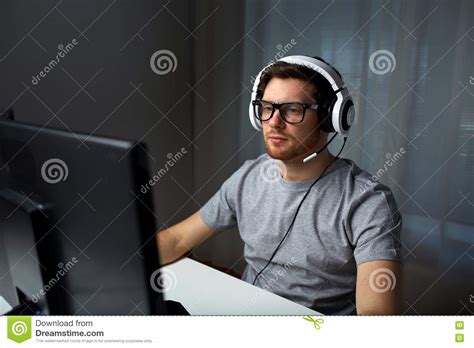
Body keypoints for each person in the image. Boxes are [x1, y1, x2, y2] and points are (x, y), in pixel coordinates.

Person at [157, 55, 402, 315]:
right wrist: (121, 266)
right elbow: (178, 239)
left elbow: (376, 320)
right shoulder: (249, 177)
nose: (274, 122)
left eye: (293, 109)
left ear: (329, 117)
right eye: (267, 107)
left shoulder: (367, 202)